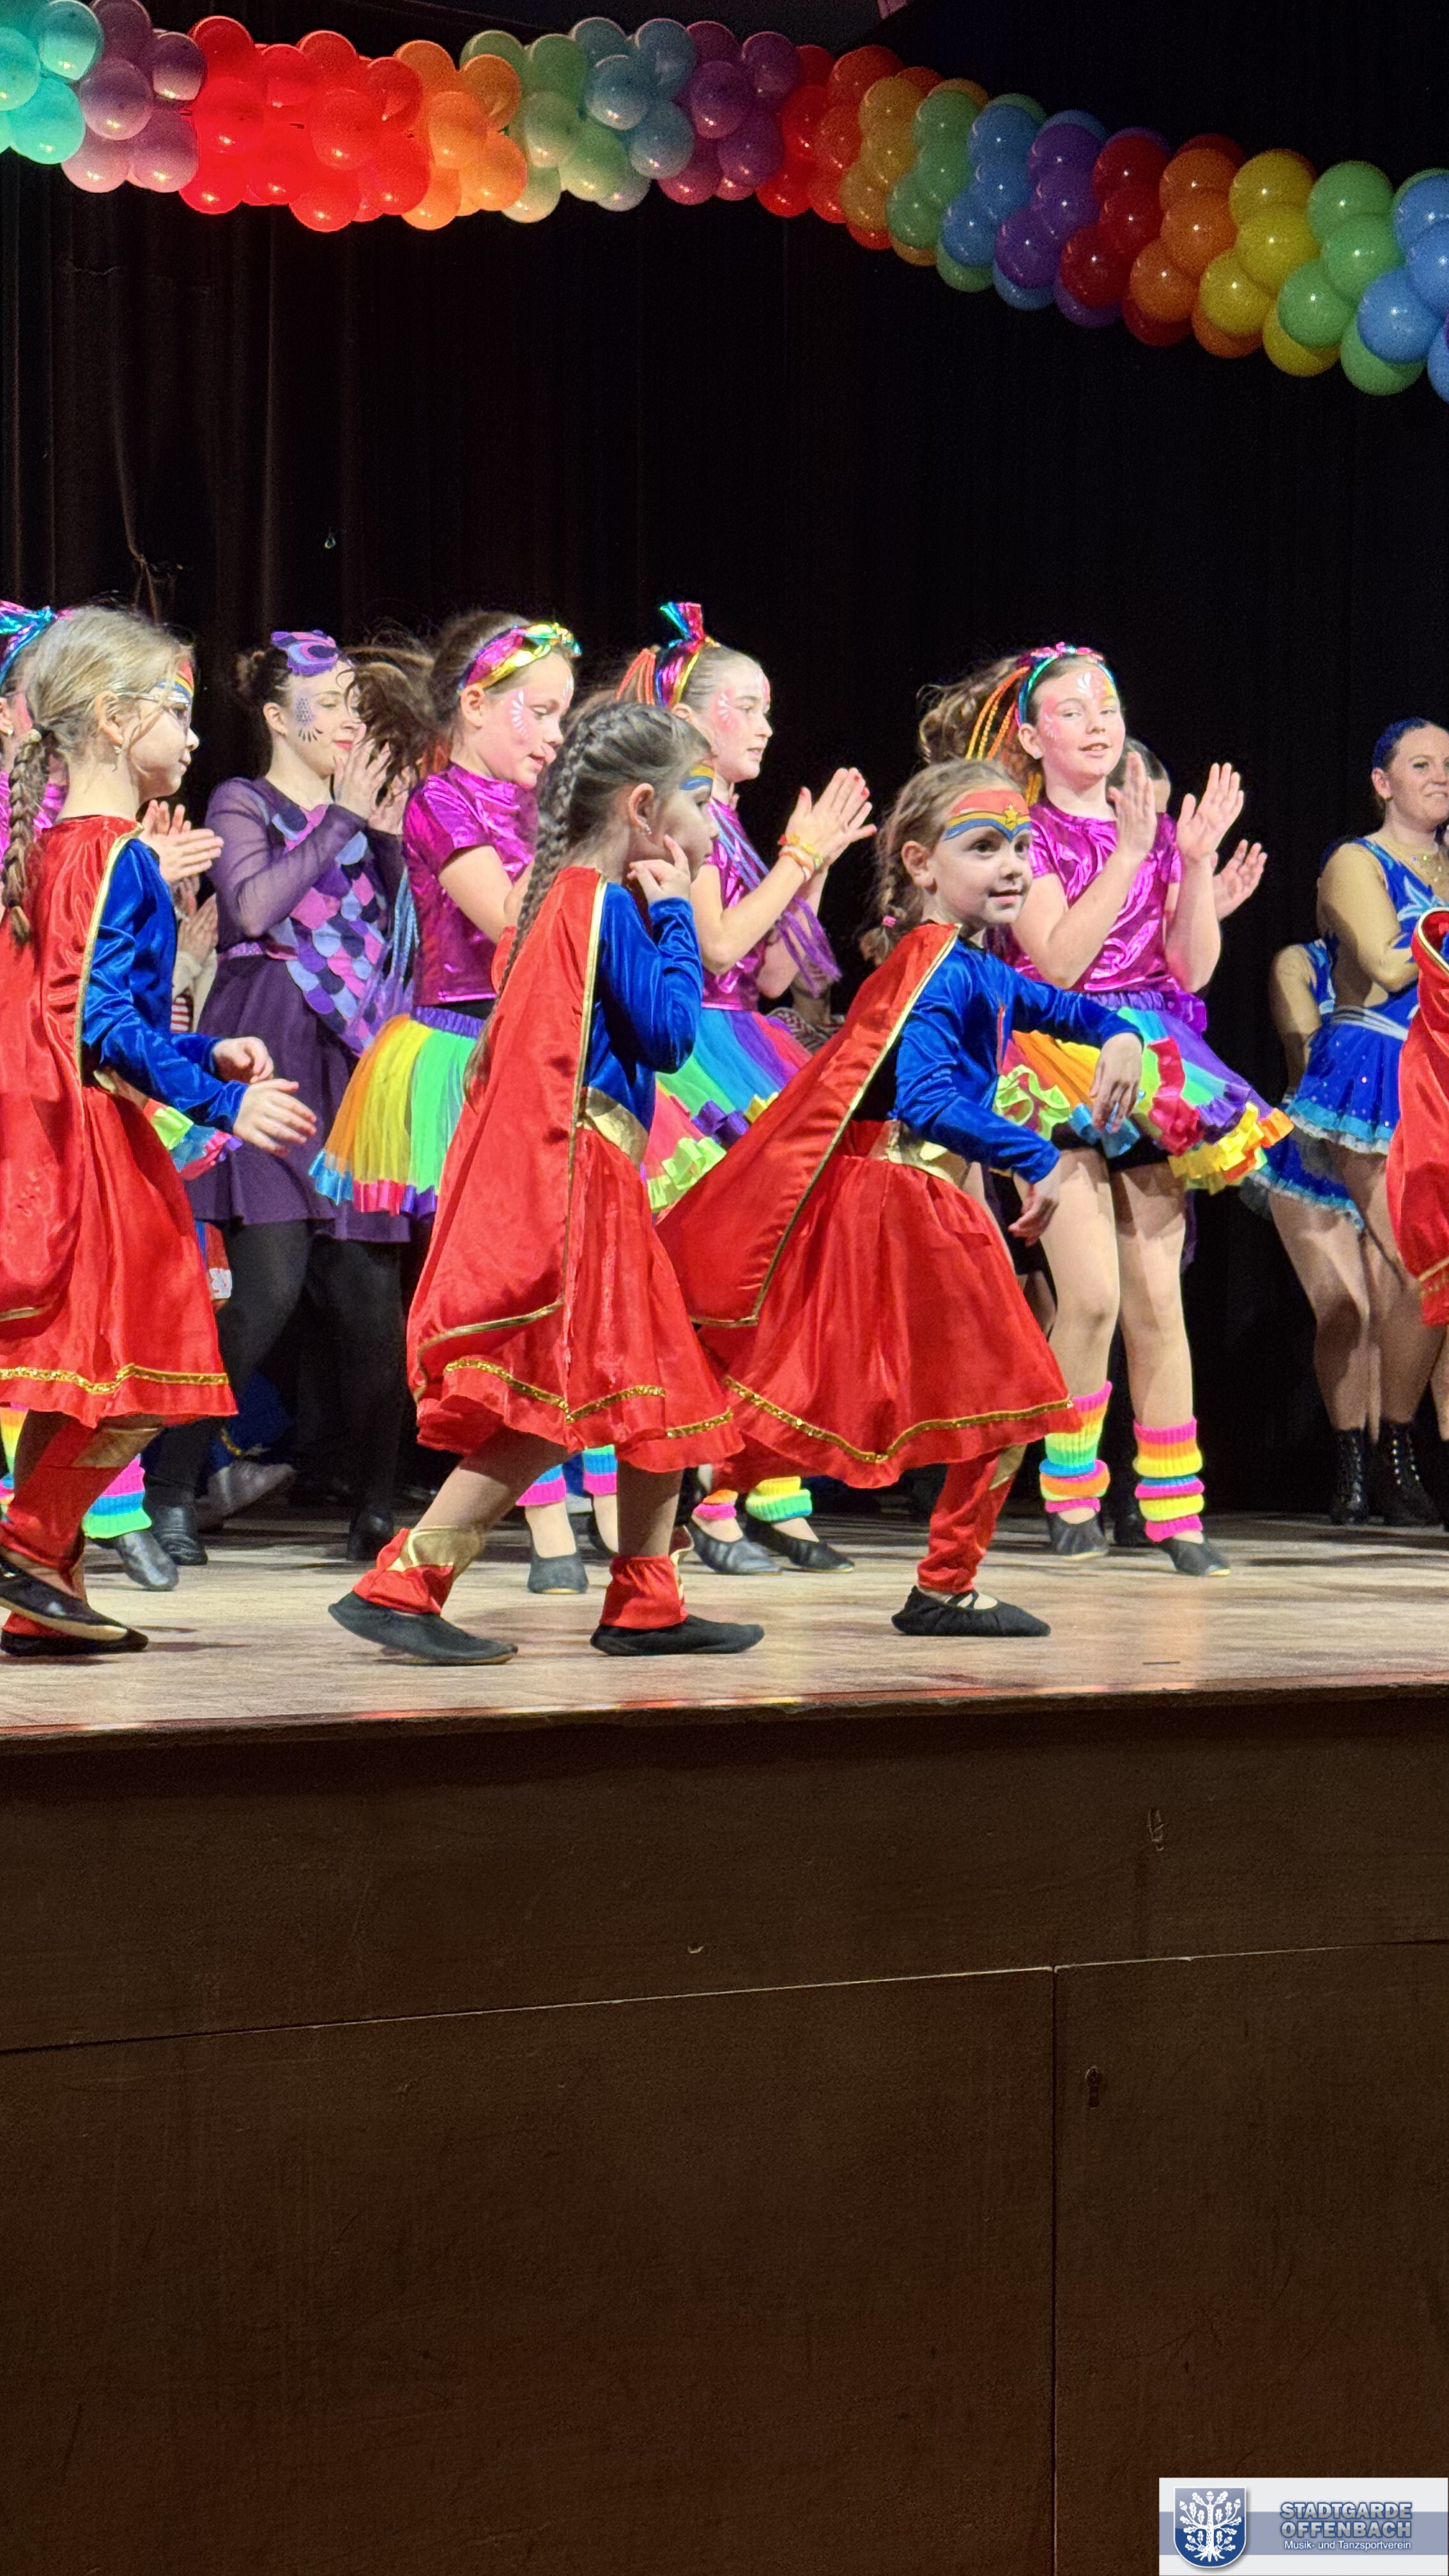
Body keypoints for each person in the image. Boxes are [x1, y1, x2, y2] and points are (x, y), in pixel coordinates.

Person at [660, 760, 1144, 1635]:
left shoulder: (965, 964)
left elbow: (1059, 1009)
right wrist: (1036, 1157)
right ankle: (942, 1584)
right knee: (1013, 1393)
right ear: (921, 864)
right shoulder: (936, 968)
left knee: (829, 1394)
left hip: (902, 1197)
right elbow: (926, 1101)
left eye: (1022, 847)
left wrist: (1120, 1035)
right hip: (902, 1200)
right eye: (984, 847)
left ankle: (680, 1518)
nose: (1013, 866)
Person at [331, 699, 760, 1666]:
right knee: (559, 1397)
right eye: (699, 800)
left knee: (658, 1386)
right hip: (585, 1183)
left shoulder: (562, 898)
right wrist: (678, 917)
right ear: (644, 809)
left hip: (596, 1173)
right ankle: (407, 1580)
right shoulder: (603, 904)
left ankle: (648, 1598)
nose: (713, 821)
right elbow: (670, 1035)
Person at [921, 646, 1285, 1575]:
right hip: (1055, 1055)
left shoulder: (1153, 831)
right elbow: (1059, 961)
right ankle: (1070, 1486)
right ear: (1032, 735)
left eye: (1108, 707)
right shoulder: (1025, 834)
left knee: (1158, 1299)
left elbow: (1190, 970)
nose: (1097, 724)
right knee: (1088, 1295)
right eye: (1074, 712)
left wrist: (1190, 864)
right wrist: (1127, 855)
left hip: (1156, 1059)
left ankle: (1174, 1508)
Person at [0, 606, 312, 1653]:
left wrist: (207, 1053)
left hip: (41, 1129)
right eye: (175, 713)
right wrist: (224, 1101)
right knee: (145, 1373)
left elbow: (80, 1009)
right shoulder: (124, 858)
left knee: (72, 1379)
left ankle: (44, 1592)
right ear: (112, 718)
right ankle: (27, 1540)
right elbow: (104, 1024)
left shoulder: (44, 849)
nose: (192, 735)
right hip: (91, 1144)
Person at [311, 614, 608, 1591]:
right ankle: (543, 1530)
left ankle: (609, 1521)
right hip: (463, 1055)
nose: (553, 736)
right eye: (539, 712)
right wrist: (595, 842)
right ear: (476, 705)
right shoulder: (444, 800)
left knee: (575, 1281)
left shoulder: (541, 809)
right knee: (502, 1288)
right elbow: (514, 921)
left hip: (548, 1050)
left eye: (564, 718)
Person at [142, 629, 413, 1568]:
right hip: (272, 1050)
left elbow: (400, 933)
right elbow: (253, 910)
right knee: (264, 1291)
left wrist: (385, 832)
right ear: (276, 716)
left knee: (372, 1301)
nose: (346, 718)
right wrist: (341, 821)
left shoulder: (365, 812)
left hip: (358, 1059)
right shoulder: (242, 798)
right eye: (327, 702)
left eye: (352, 702)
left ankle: (376, 1505)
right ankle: (171, 1490)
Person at [619, 602, 873, 1574]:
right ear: (689, 716)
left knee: (764, 1280)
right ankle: (704, 1501)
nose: (766, 726)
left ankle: (762, 1484)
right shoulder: (679, 815)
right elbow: (719, 948)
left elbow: (774, 974)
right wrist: (800, 858)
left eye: (768, 708)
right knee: (705, 1283)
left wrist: (812, 870)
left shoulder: (726, 821)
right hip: (692, 1053)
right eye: (747, 707)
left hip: (745, 1042)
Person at [1285, 719, 1449, 1521]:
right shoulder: (1358, 860)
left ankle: (1403, 1449)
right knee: (1423, 1265)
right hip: (1380, 1075)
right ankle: (1385, 1450)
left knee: (1430, 1283)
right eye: (1422, 764)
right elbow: (1387, 965)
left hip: (1443, 1078)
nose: (1441, 776)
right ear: (1383, 783)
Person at [1248, 938, 1384, 1523]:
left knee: (1393, 1309)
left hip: (1391, 1145)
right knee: (1347, 1308)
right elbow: (1308, 1061)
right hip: (1312, 1152)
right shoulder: (1300, 963)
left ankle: (1390, 1462)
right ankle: (1351, 1463)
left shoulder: (1416, 965)